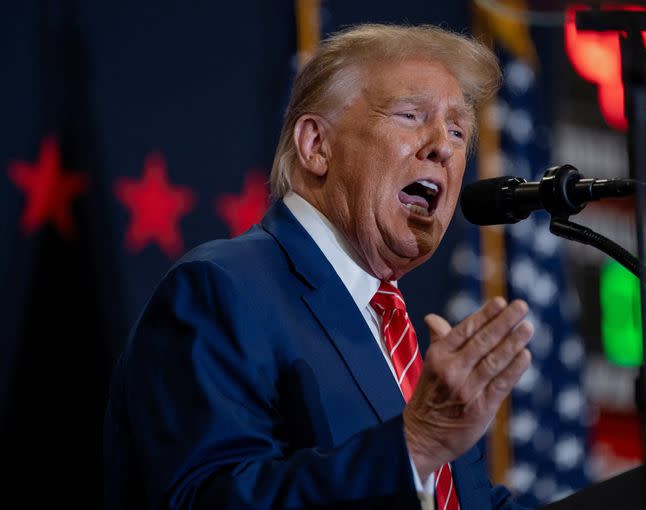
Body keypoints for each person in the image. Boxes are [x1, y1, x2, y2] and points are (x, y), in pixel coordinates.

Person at [104, 23, 535, 509]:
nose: (443, 146)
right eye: (412, 115)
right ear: (316, 146)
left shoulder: (395, 331)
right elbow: (206, 499)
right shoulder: (221, 289)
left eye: (458, 131)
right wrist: (414, 444)